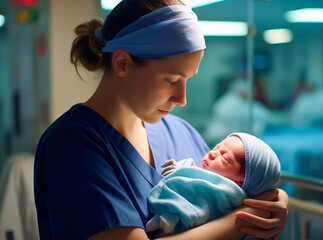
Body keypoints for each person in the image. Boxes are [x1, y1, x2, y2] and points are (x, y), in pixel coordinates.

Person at [33, 1, 289, 239]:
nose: (182, 98)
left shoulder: (179, 132)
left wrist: (272, 198)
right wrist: (243, 221)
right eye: (171, 80)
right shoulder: (74, 145)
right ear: (122, 63)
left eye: (188, 80)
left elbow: (228, 193)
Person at [146, 132, 281, 238]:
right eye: (216, 147)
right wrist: (184, 168)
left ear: (240, 182)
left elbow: (200, 206)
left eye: (224, 157)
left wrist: (184, 171)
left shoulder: (226, 195)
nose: (212, 153)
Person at [203, 79, 277, 145]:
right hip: (223, 137)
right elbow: (267, 117)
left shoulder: (223, 101)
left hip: (217, 137)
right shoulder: (238, 103)